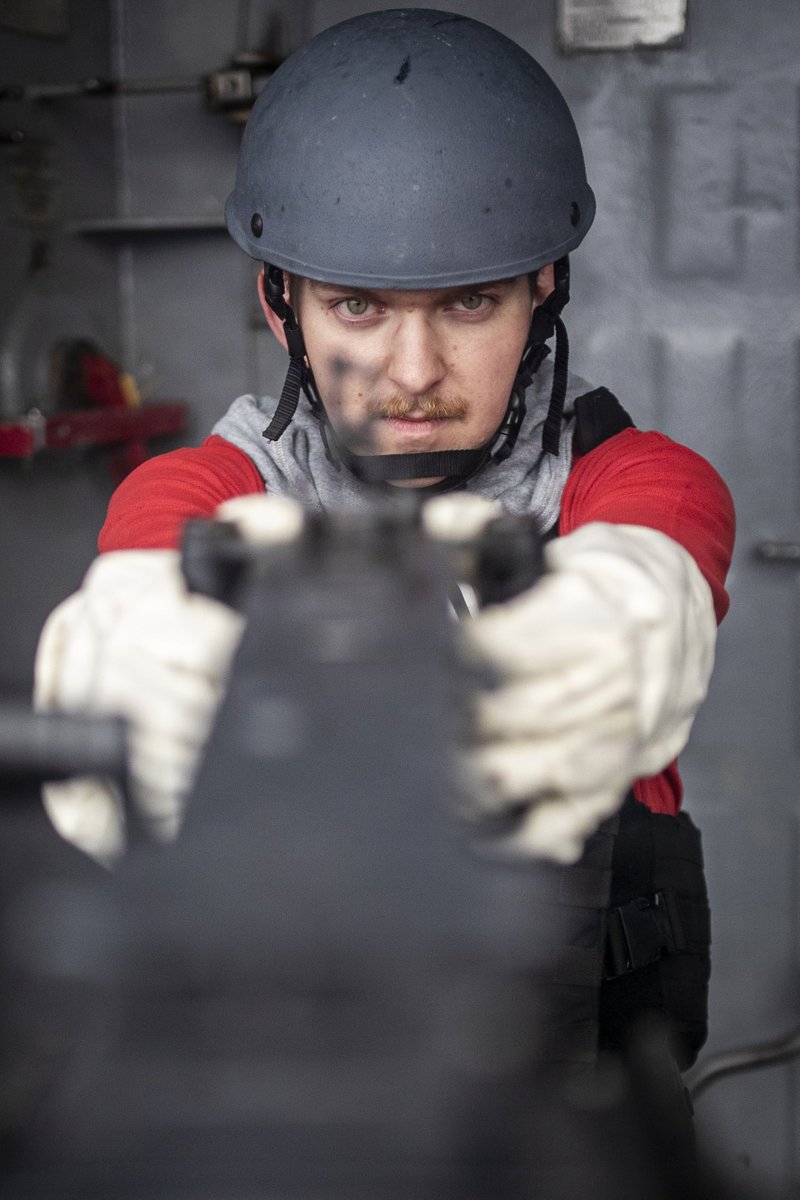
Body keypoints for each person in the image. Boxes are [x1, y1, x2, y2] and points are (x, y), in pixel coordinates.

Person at [34, 10, 734, 1072]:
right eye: (357, 306)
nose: (412, 372)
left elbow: (655, 565)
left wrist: (618, 626)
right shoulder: (203, 489)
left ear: (543, 288)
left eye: (469, 302)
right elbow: (151, 553)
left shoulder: (634, 478)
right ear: (283, 308)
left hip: (577, 1103)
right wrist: (131, 657)